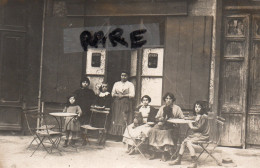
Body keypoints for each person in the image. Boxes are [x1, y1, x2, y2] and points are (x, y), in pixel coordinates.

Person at [169, 101, 210, 168]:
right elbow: (193, 118)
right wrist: (186, 118)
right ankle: (178, 160)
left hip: (203, 135)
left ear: (203, 108)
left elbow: (198, 128)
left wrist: (190, 125)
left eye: (199, 107)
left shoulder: (204, 117)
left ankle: (194, 163)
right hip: (198, 134)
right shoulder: (198, 116)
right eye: (196, 107)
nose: (197, 108)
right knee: (184, 142)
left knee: (188, 142)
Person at [147, 92, 184, 161]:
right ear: (165, 100)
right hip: (162, 124)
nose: (168, 100)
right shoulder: (162, 108)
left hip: (172, 126)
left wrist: (174, 119)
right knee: (152, 131)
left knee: (165, 133)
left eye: (170, 98)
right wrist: (159, 119)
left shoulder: (177, 108)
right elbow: (156, 118)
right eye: (166, 98)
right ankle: (154, 152)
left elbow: (182, 117)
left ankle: (165, 153)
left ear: (173, 100)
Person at [109, 71, 135, 139]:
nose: (123, 77)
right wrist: (118, 95)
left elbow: (132, 95)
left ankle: (123, 136)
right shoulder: (116, 83)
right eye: (122, 75)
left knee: (123, 119)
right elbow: (112, 93)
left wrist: (123, 95)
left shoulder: (130, 84)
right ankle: (116, 135)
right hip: (117, 103)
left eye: (125, 75)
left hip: (126, 103)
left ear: (128, 76)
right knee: (116, 118)